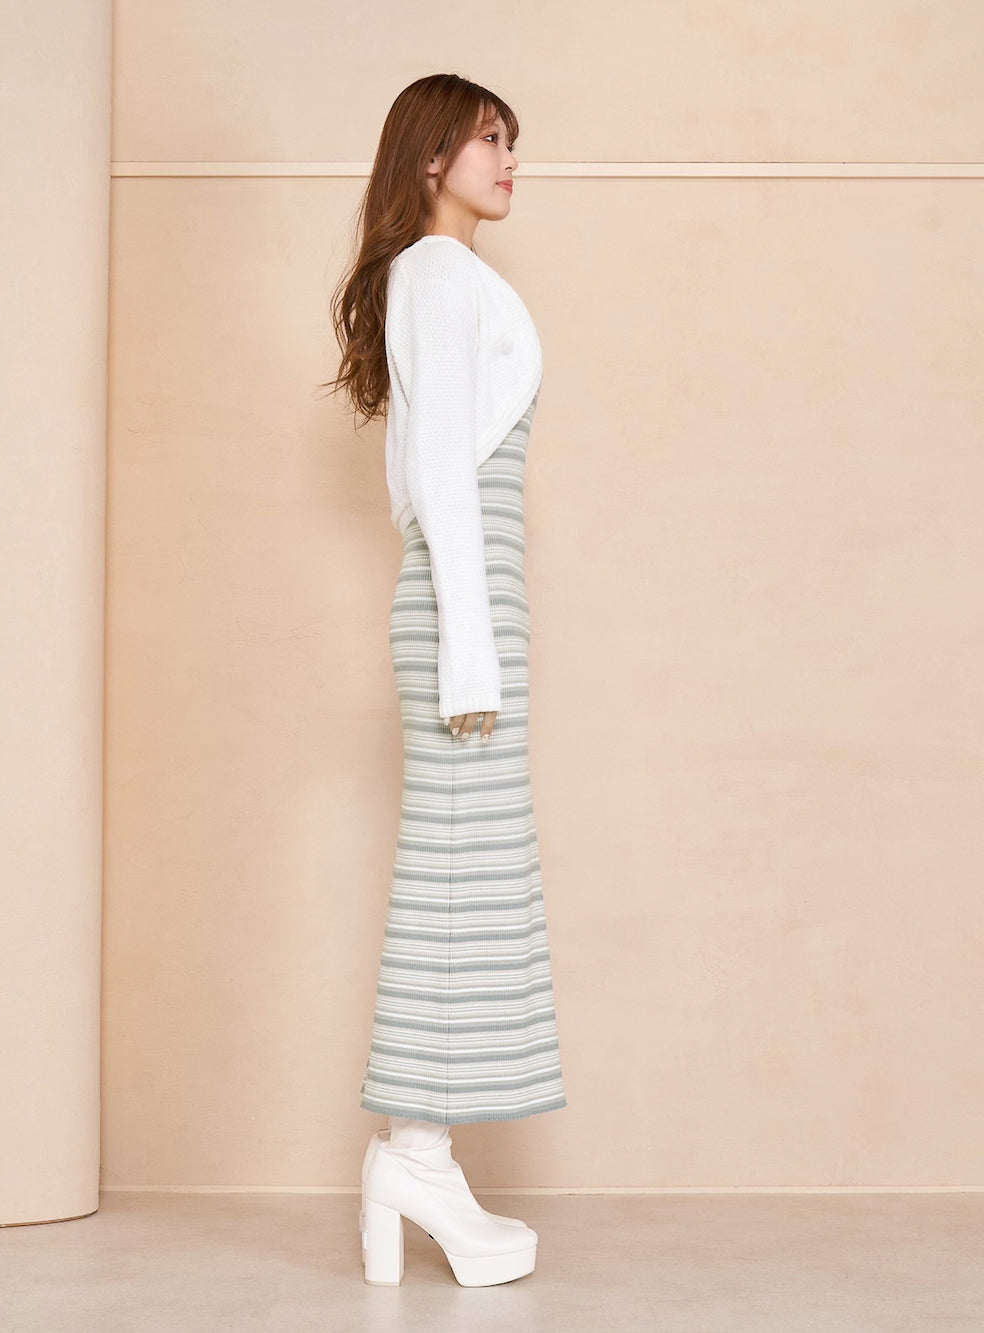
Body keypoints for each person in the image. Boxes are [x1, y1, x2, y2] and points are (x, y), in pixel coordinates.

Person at [322, 72, 567, 1287]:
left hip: (476, 611)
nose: (509, 160)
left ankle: (416, 1157)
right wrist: (470, 646)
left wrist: (482, 630)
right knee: (453, 877)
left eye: (512, 142)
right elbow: (436, 470)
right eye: (487, 140)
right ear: (429, 158)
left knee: (466, 877)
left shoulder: (454, 278)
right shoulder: (434, 272)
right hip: (461, 616)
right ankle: (414, 1155)